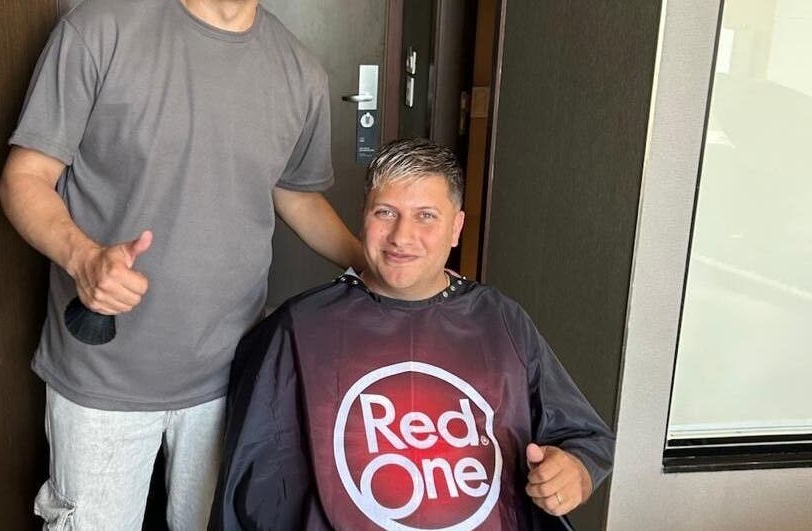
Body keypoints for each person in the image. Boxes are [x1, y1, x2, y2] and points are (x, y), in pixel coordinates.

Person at [0, 0, 363, 529]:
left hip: (230, 373)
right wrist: (84, 258)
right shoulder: (100, 29)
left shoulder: (299, 71)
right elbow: (24, 177)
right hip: (105, 373)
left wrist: (369, 264)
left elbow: (295, 194)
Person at [211, 138, 614, 530]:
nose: (402, 237)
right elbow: (257, 483)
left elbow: (583, 435)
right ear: (363, 216)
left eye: (426, 216)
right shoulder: (299, 328)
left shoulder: (500, 321)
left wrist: (575, 470)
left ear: (456, 228)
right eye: (385, 212)